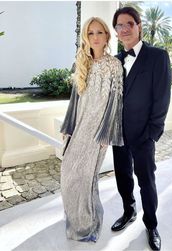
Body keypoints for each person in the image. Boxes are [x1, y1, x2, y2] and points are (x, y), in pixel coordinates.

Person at [111, 7, 171, 251]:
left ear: (139, 26)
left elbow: (162, 97)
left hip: (143, 135)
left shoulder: (157, 56)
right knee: (122, 177)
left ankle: (151, 224)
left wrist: (152, 133)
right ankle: (129, 211)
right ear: (115, 32)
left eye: (129, 24)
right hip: (118, 134)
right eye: (119, 26)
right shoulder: (115, 61)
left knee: (146, 181)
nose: (124, 29)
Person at [60, 17, 124, 243]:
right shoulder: (82, 62)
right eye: (90, 33)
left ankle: (87, 225)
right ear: (85, 37)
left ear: (107, 36)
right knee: (68, 174)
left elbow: (116, 100)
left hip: (98, 130)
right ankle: (76, 216)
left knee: (87, 177)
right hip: (79, 126)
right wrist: (68, 126)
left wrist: (107, 133)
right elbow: (74, 99)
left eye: (99, 32)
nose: (95, 37)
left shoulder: (114, 65)